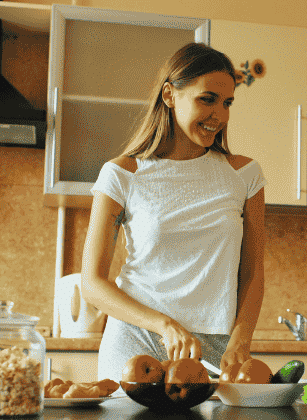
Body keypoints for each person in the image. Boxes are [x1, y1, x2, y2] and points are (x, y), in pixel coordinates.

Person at [82, 43, 266, 381]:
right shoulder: (123, 174)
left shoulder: (245, 175)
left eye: (227, 103)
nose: (220, 116)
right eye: (207, 99)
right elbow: (92, 283)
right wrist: (163, 324)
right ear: (170, 95)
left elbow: (252, 272)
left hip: (215, 351)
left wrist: (241, 339)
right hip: (135, 343)